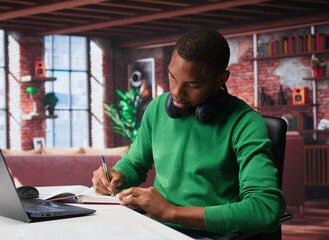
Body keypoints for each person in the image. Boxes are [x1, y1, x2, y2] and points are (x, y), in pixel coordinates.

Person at [92, 28, 285, 239]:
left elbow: (265, 209)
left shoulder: (245, 123)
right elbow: (134, 164)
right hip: (156, 229)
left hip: (208, 235)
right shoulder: (157, 108)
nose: (175, 92)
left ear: (221, 79)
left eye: (192, 85)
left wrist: (171, 212)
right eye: (172, 77)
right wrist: (117, 175)